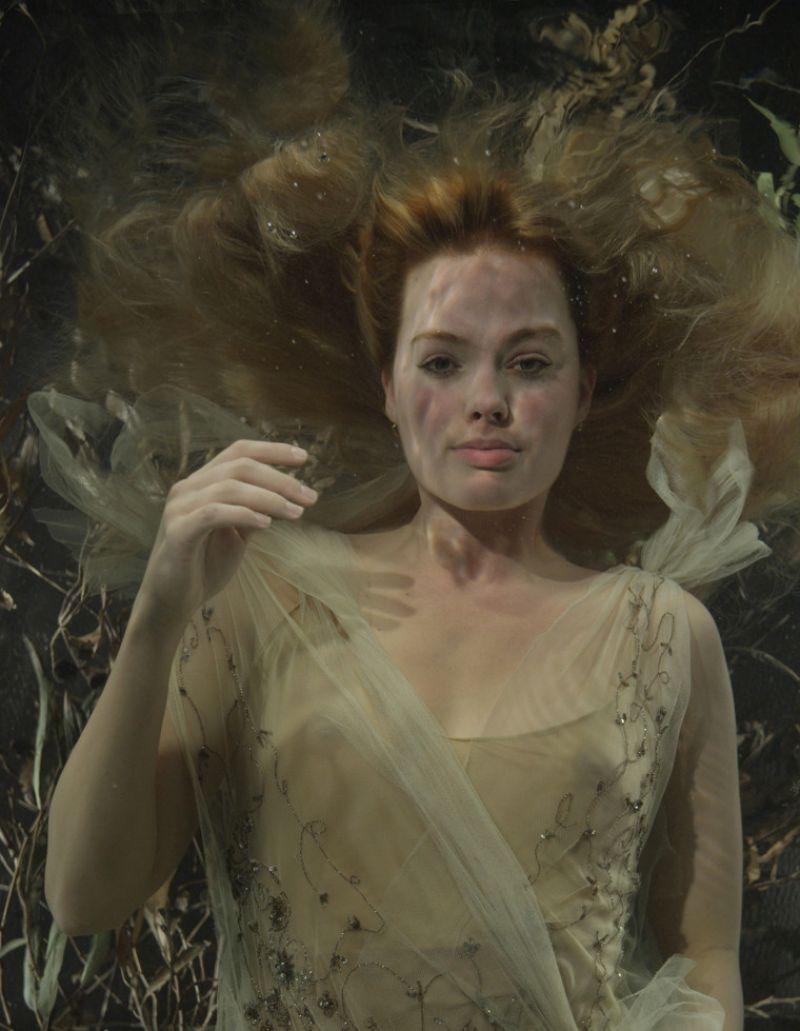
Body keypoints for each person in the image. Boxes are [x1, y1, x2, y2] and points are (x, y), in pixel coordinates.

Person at [22, 1, 800, 1028]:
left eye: (529, 361)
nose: (488, 400)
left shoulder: (662, 633)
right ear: (386, 387)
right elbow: (84, 895)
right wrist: (159, 614)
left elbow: (703, 955)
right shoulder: (263, 593)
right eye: (441, 361)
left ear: (583, 389)